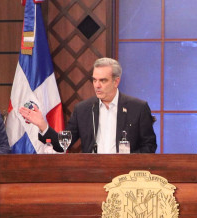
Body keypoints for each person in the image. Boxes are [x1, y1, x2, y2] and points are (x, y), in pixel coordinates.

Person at [18, 57, 156, 153]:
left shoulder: (138, 108)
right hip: (92, 174)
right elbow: (62, 145)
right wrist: (43, 125)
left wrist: (127, 160)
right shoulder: (83, 109)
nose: (97, 85)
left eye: (103, 80)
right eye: (94, 80)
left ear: (116, 81)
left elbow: (149, 146)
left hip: (125, 175)